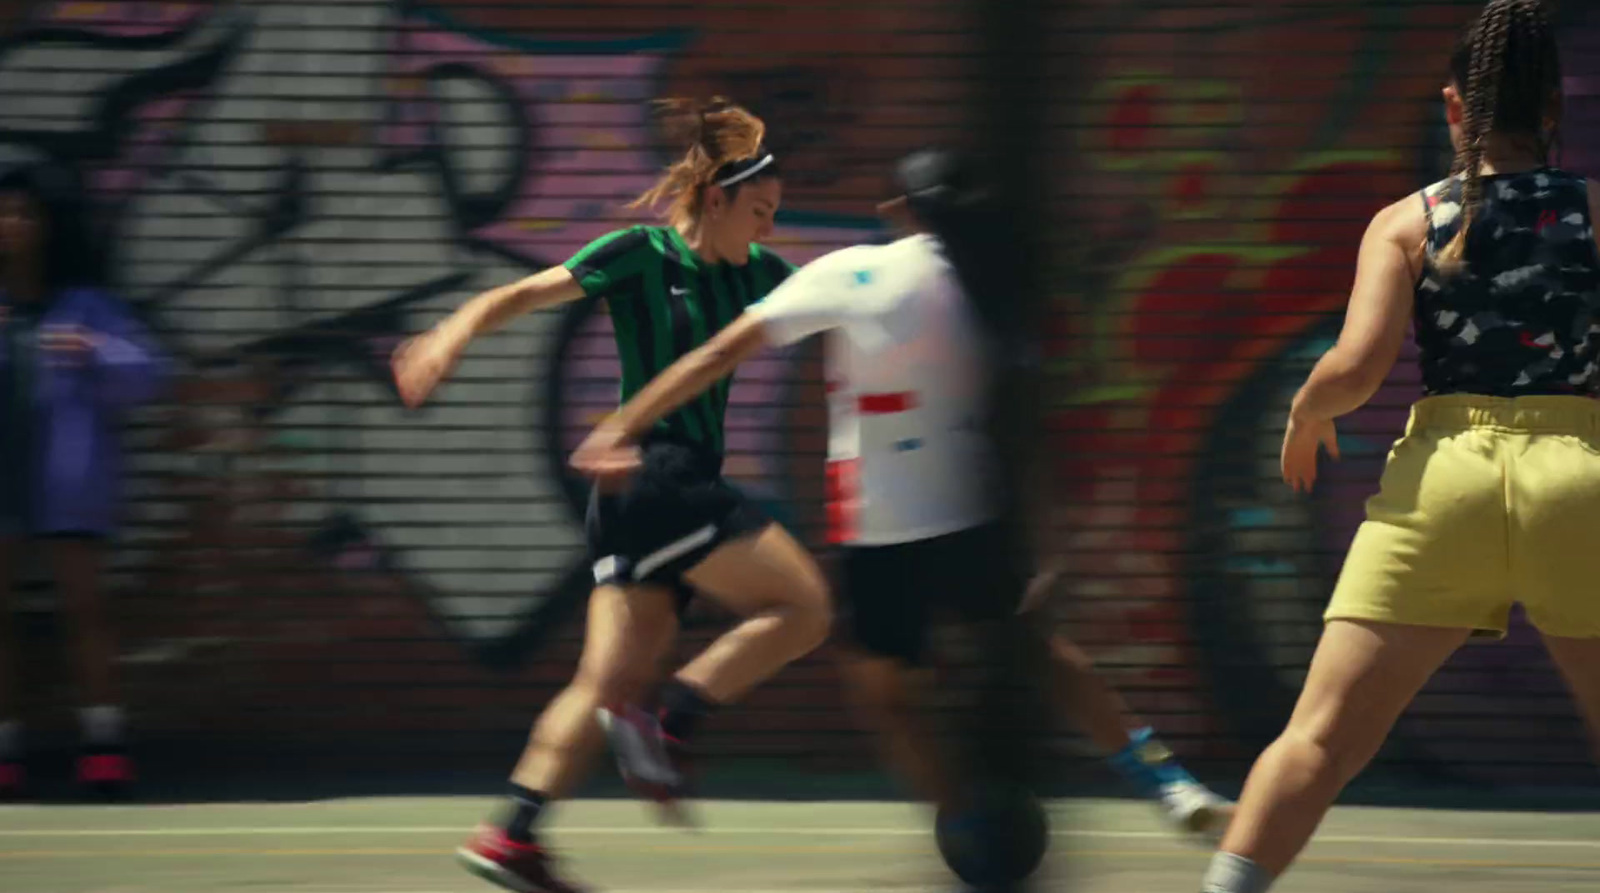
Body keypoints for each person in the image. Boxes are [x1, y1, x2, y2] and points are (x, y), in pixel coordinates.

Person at [572, 146, 1233, 879]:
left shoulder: (856, 270)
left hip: (880, 529)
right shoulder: (993, 291)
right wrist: (1046, 540)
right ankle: (1166, 780)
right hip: (973, 515)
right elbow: (1027, 429)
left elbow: (716, 355)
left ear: (900, 212)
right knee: (1039, 651)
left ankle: (963, 825)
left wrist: (622, 424)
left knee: (889, 697)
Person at [1199, 3, 1600, 891]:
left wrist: (1305, 413)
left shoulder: (1408, 220)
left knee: (1320, 735)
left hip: (1444, 485)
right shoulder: (1594, 213)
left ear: (1455, 107)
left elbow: (1354, 367)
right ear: (1554, 111)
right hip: (1581, 481)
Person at [392, 98, 832, 893]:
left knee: (601, 685)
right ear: (714, 199)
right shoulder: (642, 252)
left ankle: (511, 834)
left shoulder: (764, 277)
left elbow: (841, 310)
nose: (768, 229)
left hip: (643, 496)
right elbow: (521, 295)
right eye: (759, 211)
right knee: (804, 607)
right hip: (661, 476)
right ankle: (673, 719)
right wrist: (447, 333)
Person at [0, 162, 166, 799]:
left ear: (47, 225)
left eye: (24, 212)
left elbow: (149, 373)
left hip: (69, 478)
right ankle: (8, 745)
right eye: (4, 211)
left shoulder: (84, 304)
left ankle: (104, 743)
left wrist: (92, 348)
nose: (11, 224)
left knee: (85, 611)